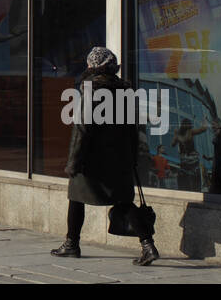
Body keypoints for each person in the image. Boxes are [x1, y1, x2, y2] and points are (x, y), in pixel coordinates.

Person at [51, 46, 159, 267]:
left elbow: (83, 128)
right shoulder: (125, 90)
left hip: (93, 160)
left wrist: (74, 162)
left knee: (76, 196)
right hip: (119, 159)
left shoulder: (91, 88)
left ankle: (72, 244)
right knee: (124, 202)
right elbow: (132, 128)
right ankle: (148, 245)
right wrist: (133, 158)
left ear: (93, 66)